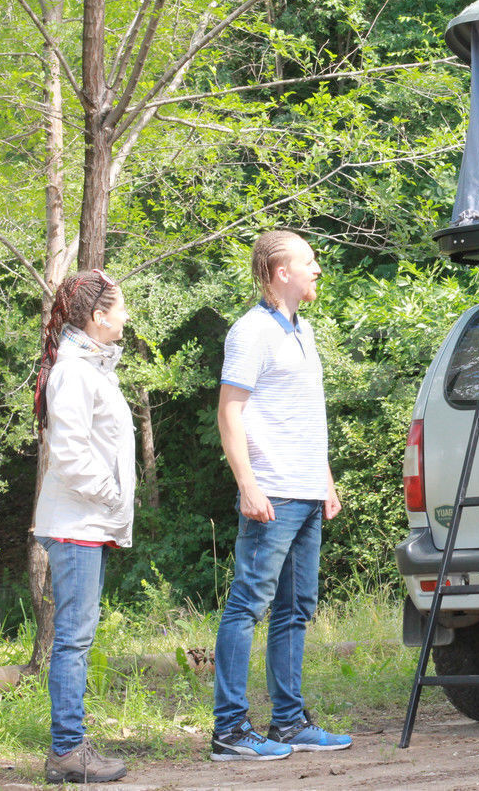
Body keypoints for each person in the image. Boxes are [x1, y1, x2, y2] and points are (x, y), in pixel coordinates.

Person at [210, 230, 352, 762]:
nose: (317, 269)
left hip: (307, 489)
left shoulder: (303, 330)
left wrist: (326, 480)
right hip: (271, 491)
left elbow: (303, 414)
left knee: (295, 609)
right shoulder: (250, 332)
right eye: (309, 262)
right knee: (248, 604)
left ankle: (289, 723)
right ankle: (229, 729)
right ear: (279, 272)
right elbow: (229, 412)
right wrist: (248, 483)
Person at [31, 268, 135, 785]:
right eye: (121, 307)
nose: (127, 315)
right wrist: (112, 495)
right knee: (74, 639)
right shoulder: (75, 371)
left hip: (86, 522)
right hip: (76, 522)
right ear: (98, 317)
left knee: (77, 637)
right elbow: (70, 453)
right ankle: (67, 751)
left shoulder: (91, 367)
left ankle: (69, 747)